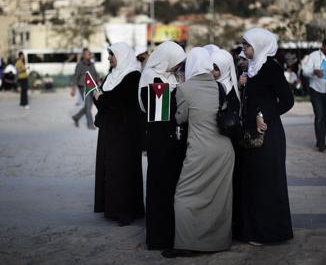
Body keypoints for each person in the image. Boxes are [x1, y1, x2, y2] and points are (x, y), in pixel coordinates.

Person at [162, 47, 235, 258]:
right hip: (224, 151)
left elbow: (179, 118)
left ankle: (185, 243)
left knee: (184, 195)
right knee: (218, 199)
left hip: (200, 151)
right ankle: (218, 242)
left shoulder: (185, 89)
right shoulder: (220, 86)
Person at [233, 27, 294, 245]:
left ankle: (268, 233)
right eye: (243, 44)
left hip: (268, 137)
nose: (244, 49)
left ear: (259, 46)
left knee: (266, 184)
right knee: (253, 183)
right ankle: (252, 230)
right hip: (251, 136)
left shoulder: (270, 67)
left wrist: (264, 115)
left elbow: (287, 100)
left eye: (247, 45)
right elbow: (256, 98)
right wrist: (243, 87)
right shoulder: (252, 68)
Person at [138, 41, 186, 250]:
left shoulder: (170, 77)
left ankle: (173, 232)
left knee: (171, 189)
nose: (178, 68)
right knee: (160, 189)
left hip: (172, 143)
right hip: (160, 145)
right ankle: (159, 237)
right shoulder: (151, 78)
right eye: (176, 63)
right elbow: (162, 117)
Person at [93, 42, 144, 226]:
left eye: (111, 55)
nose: (108, 58)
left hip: (125, 134)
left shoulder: (133, 76)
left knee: (123, 171)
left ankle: (126, 212)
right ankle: (112, 209)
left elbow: (118, 101)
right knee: (110, 169)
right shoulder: (111, 76)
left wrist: (101, 97)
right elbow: (104, 104)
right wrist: (99, 98)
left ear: (121, 56)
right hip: (109, 131)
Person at [302, 37, 326, 152]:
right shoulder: (313, 56)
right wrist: (314, 71)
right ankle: (321, 143)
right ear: (323, 46)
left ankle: (320, 140)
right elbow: (305, 71)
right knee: (319, 116)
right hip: (316, 91)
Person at [71, 48, 98, 129]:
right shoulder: (80, 64)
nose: (90, 55)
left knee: (89, 106)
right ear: (84, 55)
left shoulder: (92, 64)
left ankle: (76, 117)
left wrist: (99, 83)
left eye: (90, 53)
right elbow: (75, 76)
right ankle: (90, 124)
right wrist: (73, 88)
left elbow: (95, 75)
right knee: (88, 106)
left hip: (91, 86)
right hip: (83, 86)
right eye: (88, 54)